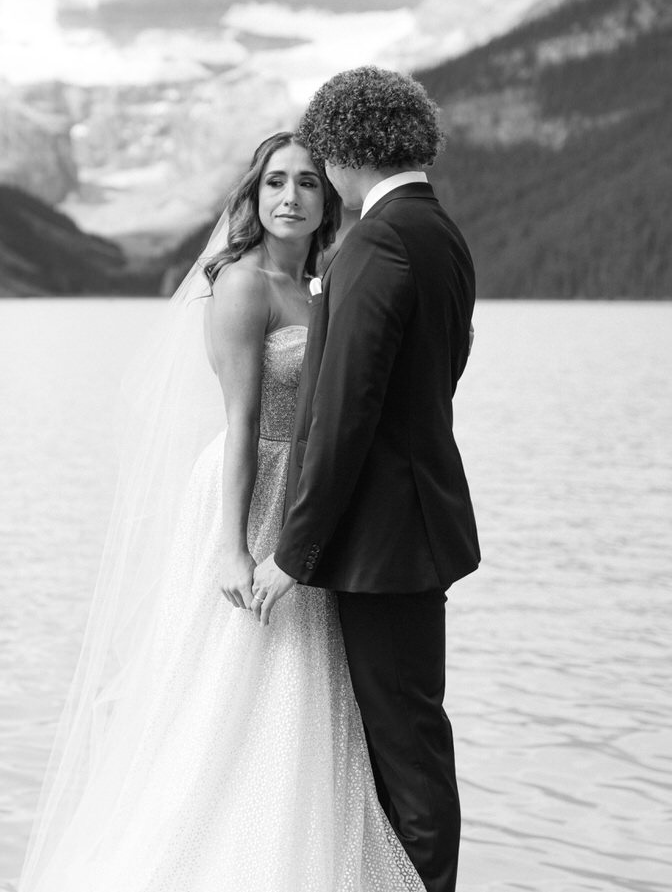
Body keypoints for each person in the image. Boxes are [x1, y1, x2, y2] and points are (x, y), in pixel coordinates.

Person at [18, 131, 426, 892]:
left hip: (304, 497)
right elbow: (241, 423)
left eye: (308, 182)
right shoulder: (241, 284)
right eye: (275, 182)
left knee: (303, 680)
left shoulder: (323, 284)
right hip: (252, 485)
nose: (291, 197)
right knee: (239, 676)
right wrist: (232, 546)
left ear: (327, 197)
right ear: (253, 194)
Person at [252, 66, 480, 892]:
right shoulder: (439, 231)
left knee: (405, 750)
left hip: (384, 540)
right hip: (414, 525)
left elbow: (347, 409)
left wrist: (293, 550)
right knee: (407, 738)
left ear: (347, 149)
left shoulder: (378, 241)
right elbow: (442, 371)